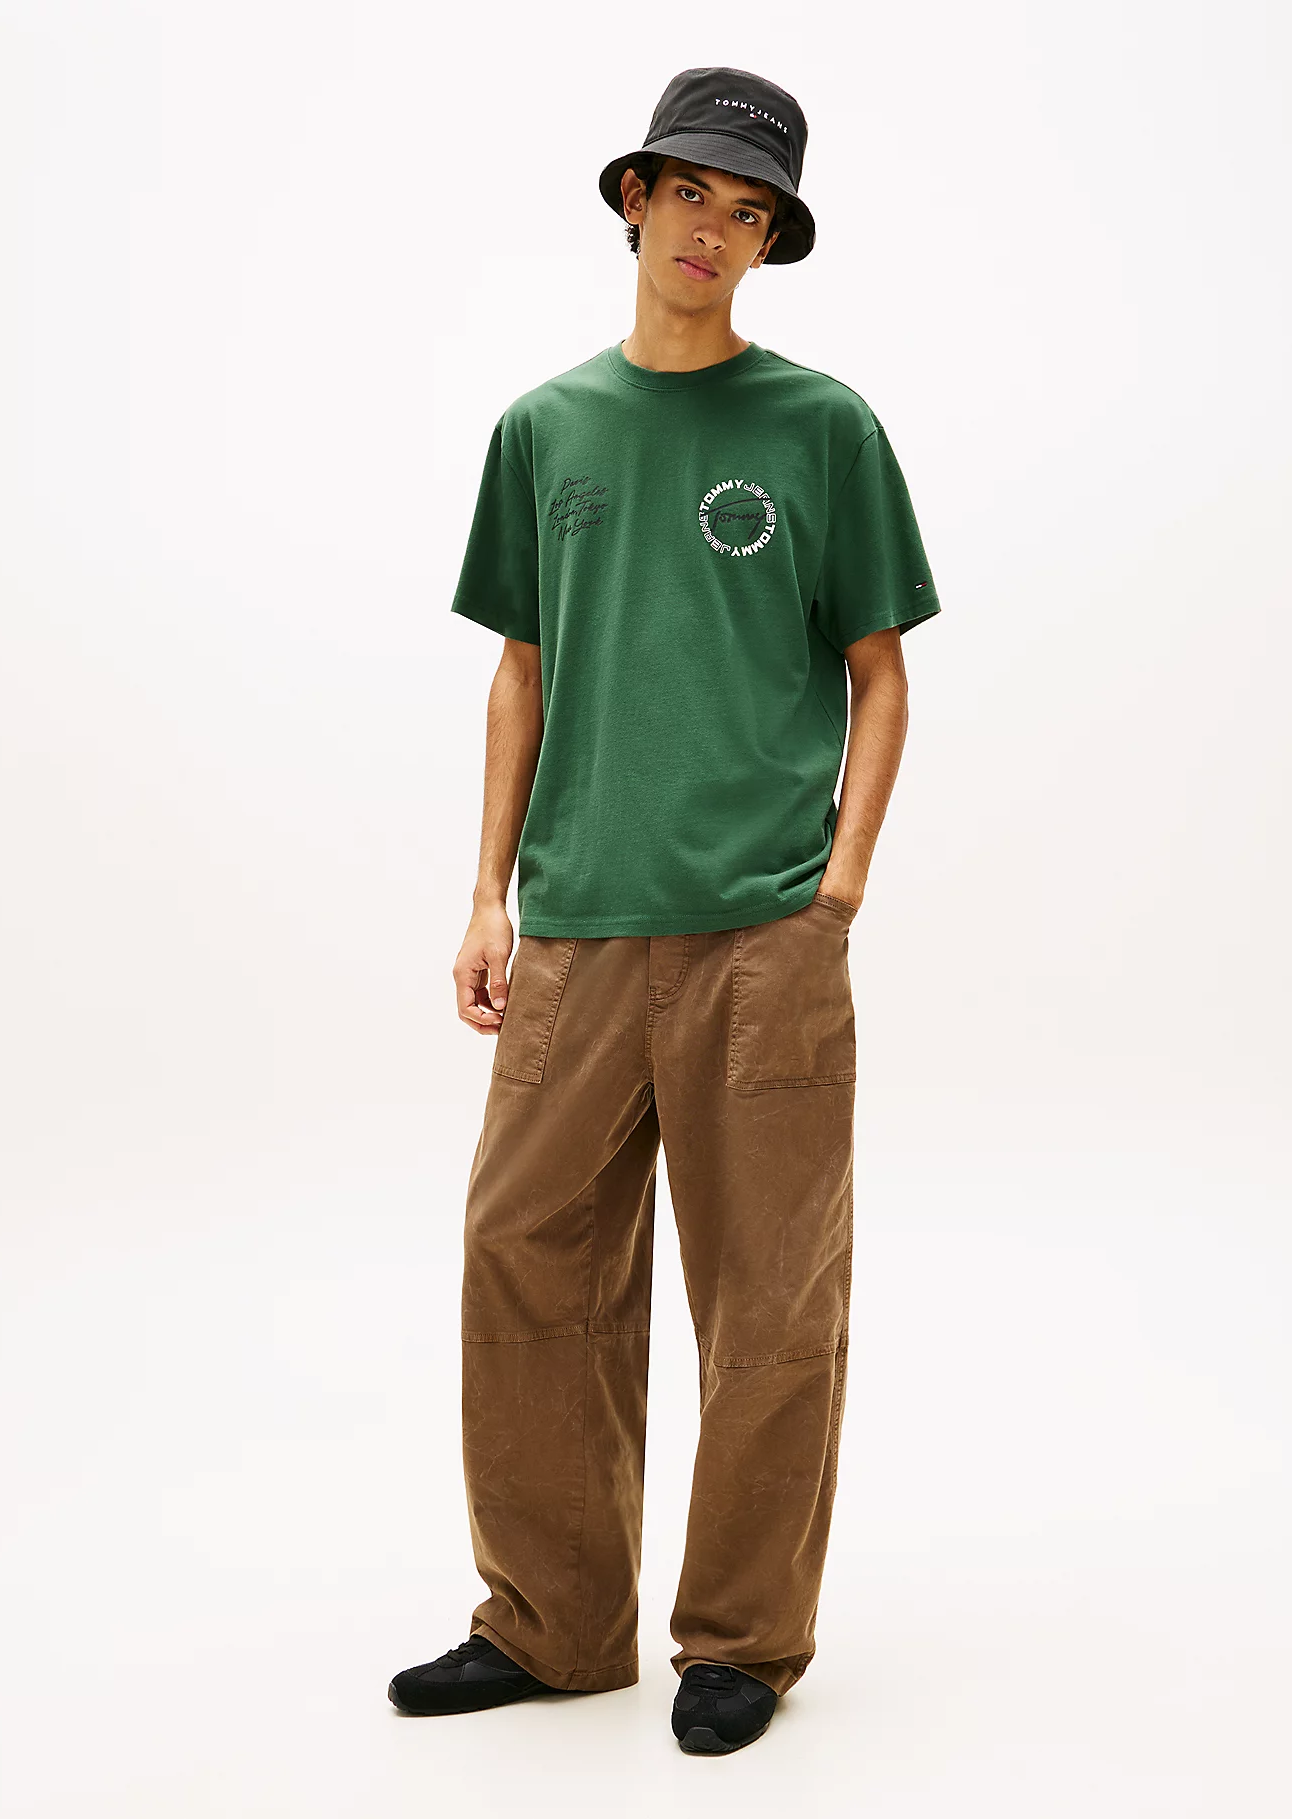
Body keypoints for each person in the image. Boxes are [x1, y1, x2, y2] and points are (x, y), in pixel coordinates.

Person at [388, 64, 941, 1755]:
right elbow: (520, 669)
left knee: (768, 1295)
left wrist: (836, 888)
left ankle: (743, 1640)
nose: (714, 229)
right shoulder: (545, 428)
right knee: (523, 1258)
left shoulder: (823, 427)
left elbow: (880, 672)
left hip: (763, 937)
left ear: (771, 242)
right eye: (692, 191)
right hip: (573, 931)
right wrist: (488, 893)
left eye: (749, 211)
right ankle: (551, 1622)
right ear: (635, 198)